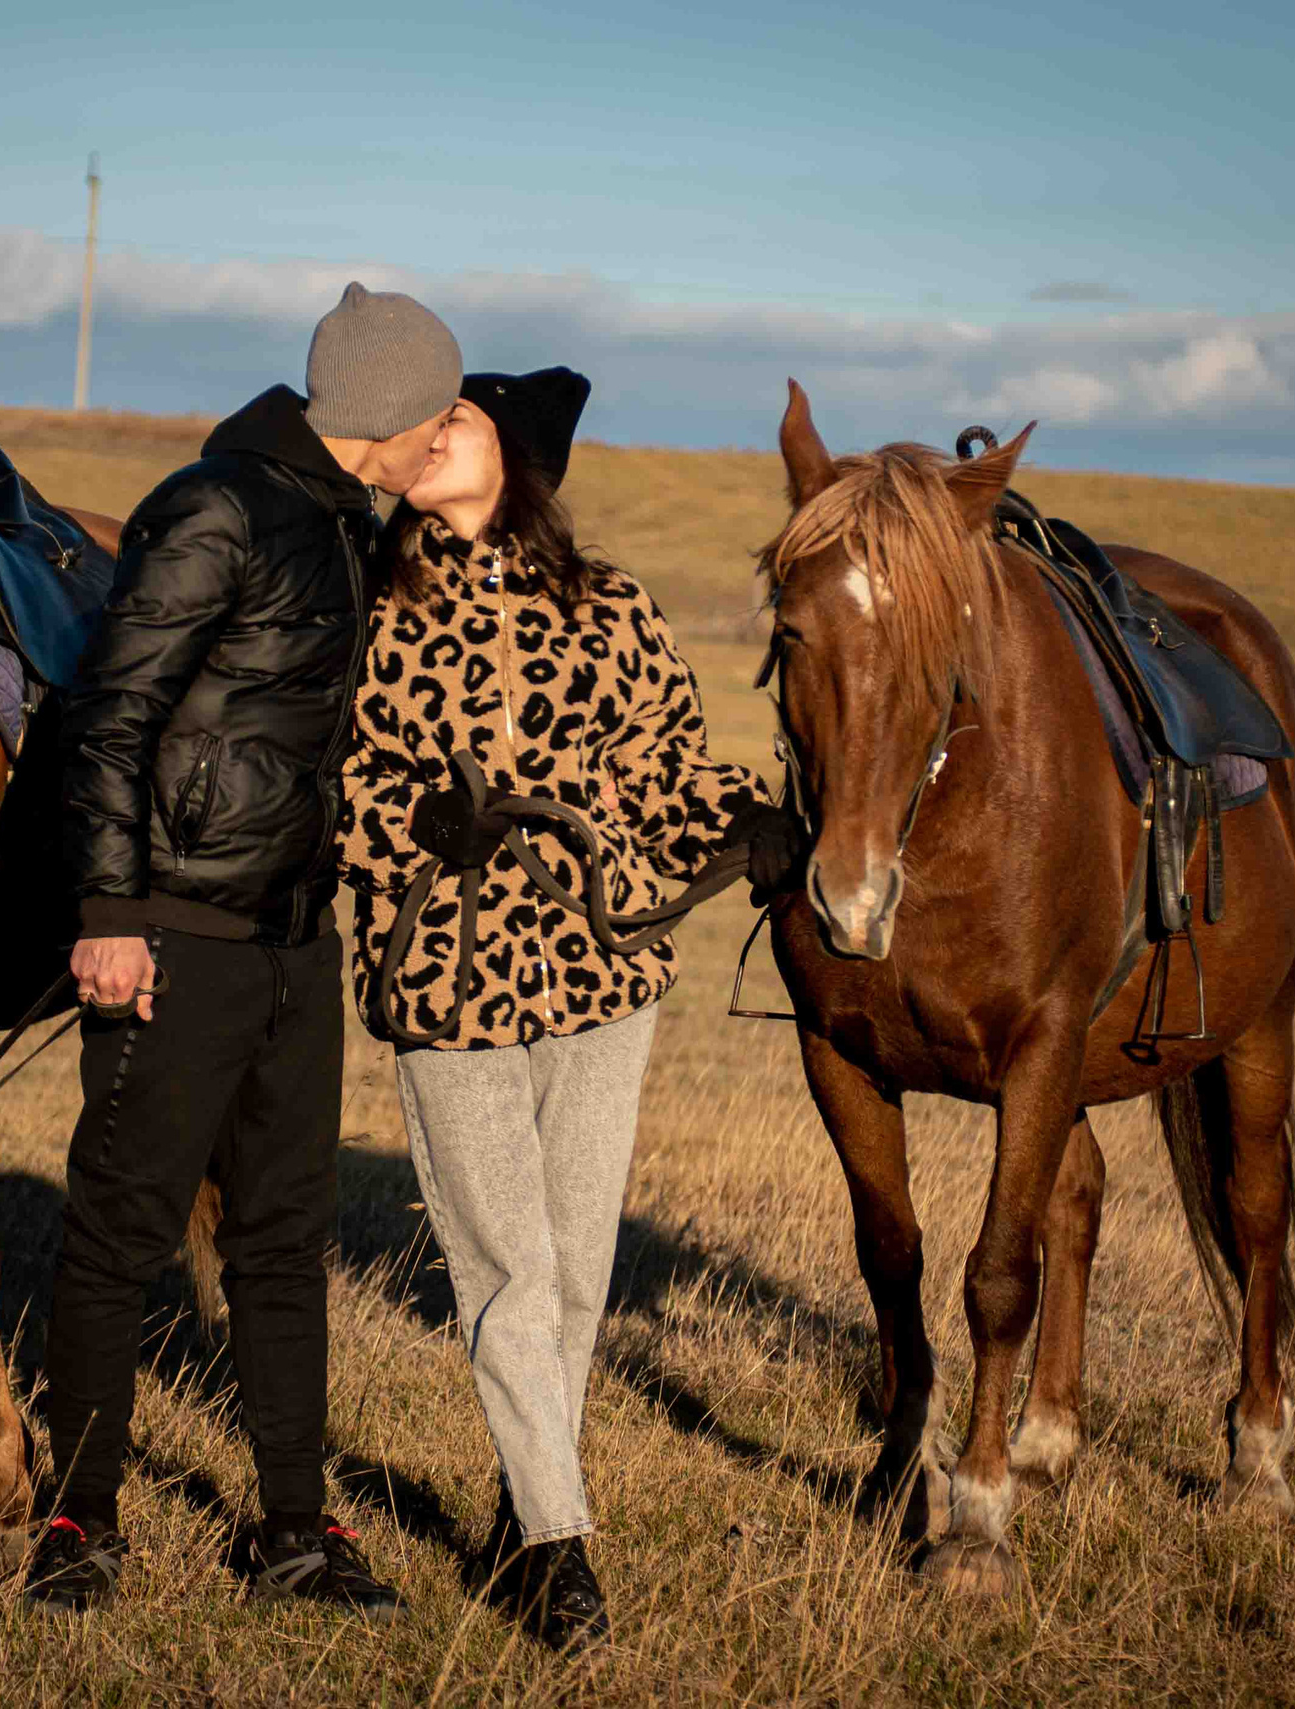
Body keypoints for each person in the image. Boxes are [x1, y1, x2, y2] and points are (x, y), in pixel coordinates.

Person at [337, 369, 804, 1648]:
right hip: (444, 978)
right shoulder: (366, 608)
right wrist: (419, 820)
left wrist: (745, 820)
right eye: (426, 422)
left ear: (519, 457)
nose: (432, 436)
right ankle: (561, 1547)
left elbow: (662, 766)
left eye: (461, 420)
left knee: (579, 1274)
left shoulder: (612, 610)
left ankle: (514, 1514)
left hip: (603, 975)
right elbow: (329, 783)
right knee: (506, 1272)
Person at [25, 283, 462, 1617]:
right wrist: (106, 918)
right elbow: (109, 715)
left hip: (293, 944)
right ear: (388, 414)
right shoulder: (219, 506)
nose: (448, 434)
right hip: (177, 938)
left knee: (280, 1245)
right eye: (437, 414)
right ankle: (77, 1520)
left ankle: (291, 1529)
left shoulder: (343, 523)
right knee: (119, 1238)